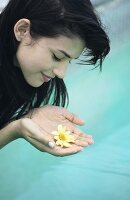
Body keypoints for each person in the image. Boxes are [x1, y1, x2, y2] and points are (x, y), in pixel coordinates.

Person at [0, 0, 110, 156]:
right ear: (23, 30)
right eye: (57, 57)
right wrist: (14, 130)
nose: (61, 73)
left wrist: (27, 118)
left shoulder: (24, 74)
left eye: (69, 61)